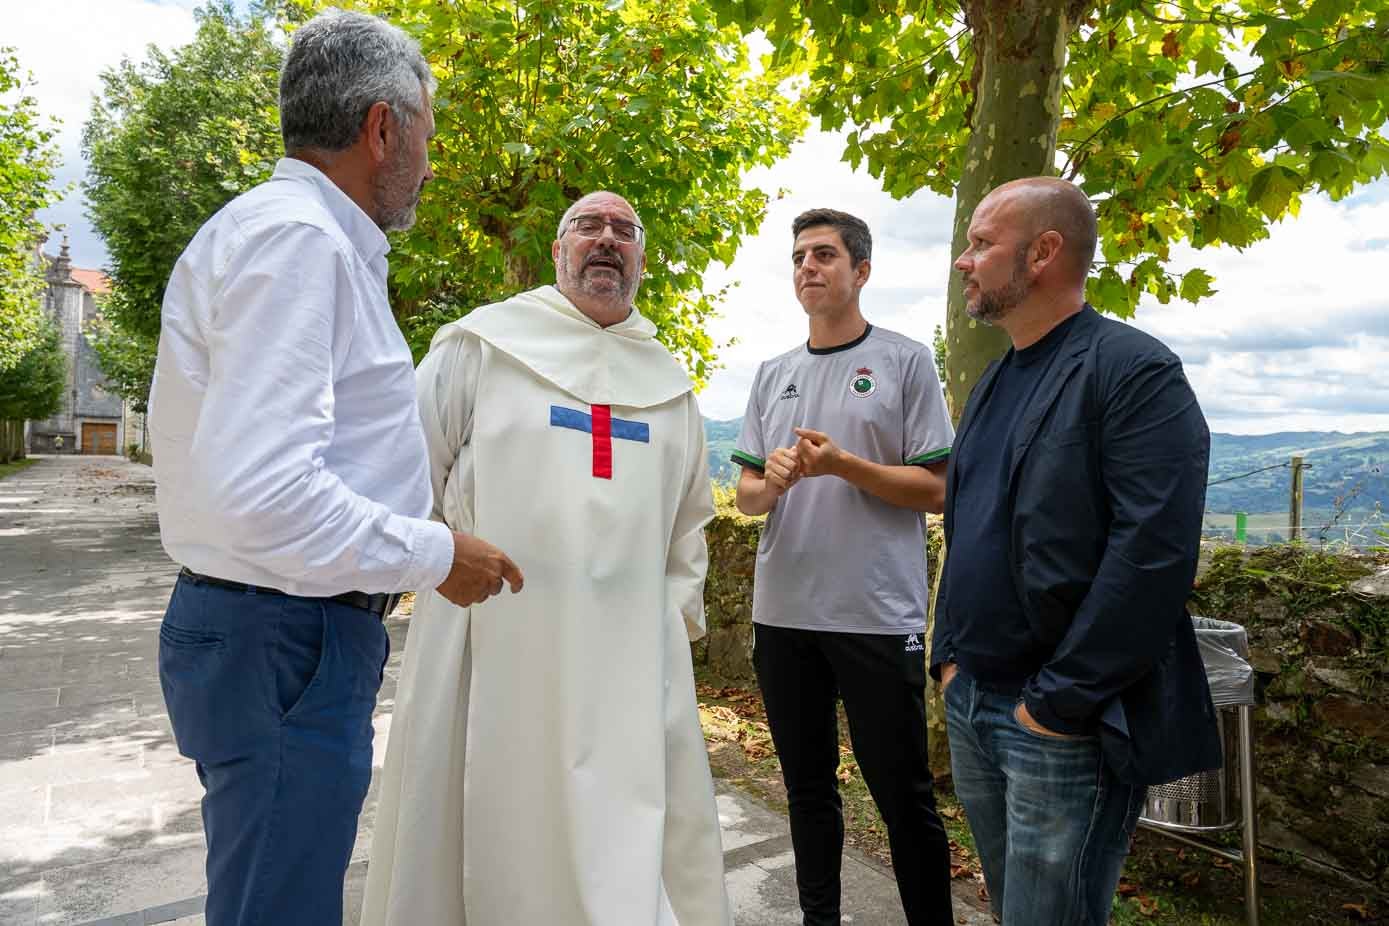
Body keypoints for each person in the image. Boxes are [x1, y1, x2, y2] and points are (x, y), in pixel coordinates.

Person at [147, 11, 522, 925]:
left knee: (274, 891)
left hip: (278, 634)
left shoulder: (286, 235)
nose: (429, 166)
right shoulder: (300, 244)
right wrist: (437, 553)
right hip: (287, 638)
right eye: (426, 136)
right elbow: (266, 494)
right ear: (382, 128)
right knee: (279, 904)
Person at [361, 191, 731, 925]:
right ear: (558, 252)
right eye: (586, 228)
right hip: (493, 641)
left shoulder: (668, 383)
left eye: (624, 230)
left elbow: (688, 531)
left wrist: (665, 626)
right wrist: (438, 565)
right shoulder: (480, 346)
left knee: (626, 833)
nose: (606, 240)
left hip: (626, 660)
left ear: (642, 261)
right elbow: (405, 474)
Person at [931, 176, 1221, 926]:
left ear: (1043, 252)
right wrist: (950, 661)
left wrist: (1056, 705)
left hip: (1063, 720)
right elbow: (969, 524)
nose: (964, 261)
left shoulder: (1132, 370)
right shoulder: (996, 377)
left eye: (981, 243)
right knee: (1013, 911)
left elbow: (1153, 554)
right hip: (975, 700)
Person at [732, 208, 956, 925]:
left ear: (860, 271)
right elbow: (744, 500)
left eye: (824, 255)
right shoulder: (772, 375)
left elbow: (939, 489)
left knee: (901, 795)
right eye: (799, 256)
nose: (808, 267)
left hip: (873, 614)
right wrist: (774, 481)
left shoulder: (903, 360)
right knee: (806, 790)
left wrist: (842, 466)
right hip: (784, 614)